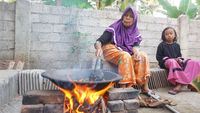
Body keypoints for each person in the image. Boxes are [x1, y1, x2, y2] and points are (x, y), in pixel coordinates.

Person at [94, 6, 152, 94]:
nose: (127, 17)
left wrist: (136, 52)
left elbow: (135, 46)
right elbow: (100, 40)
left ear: (134, 20)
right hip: (112, 50)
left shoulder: (135, 32)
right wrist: (98, 48)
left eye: (131, 16)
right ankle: (124, 88)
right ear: (123, 16)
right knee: (125, 55)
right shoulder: (114, 27)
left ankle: (144, 86)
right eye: (126, 15)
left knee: (143, 55)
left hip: (126, 52)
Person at [156, 26, 200, 95]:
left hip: (176, 62)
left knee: (195, 62)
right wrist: (173, 59)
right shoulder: (161, 45)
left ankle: (193, 84)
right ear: (163, 36)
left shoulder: (177, 45)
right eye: (166, 34)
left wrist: (179, 59)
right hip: (165, 62)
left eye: (171, 33)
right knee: (172, 61)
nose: (169, 35)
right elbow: (158, 57)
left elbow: (179, 56)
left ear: (174, 35)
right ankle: (179, 84)